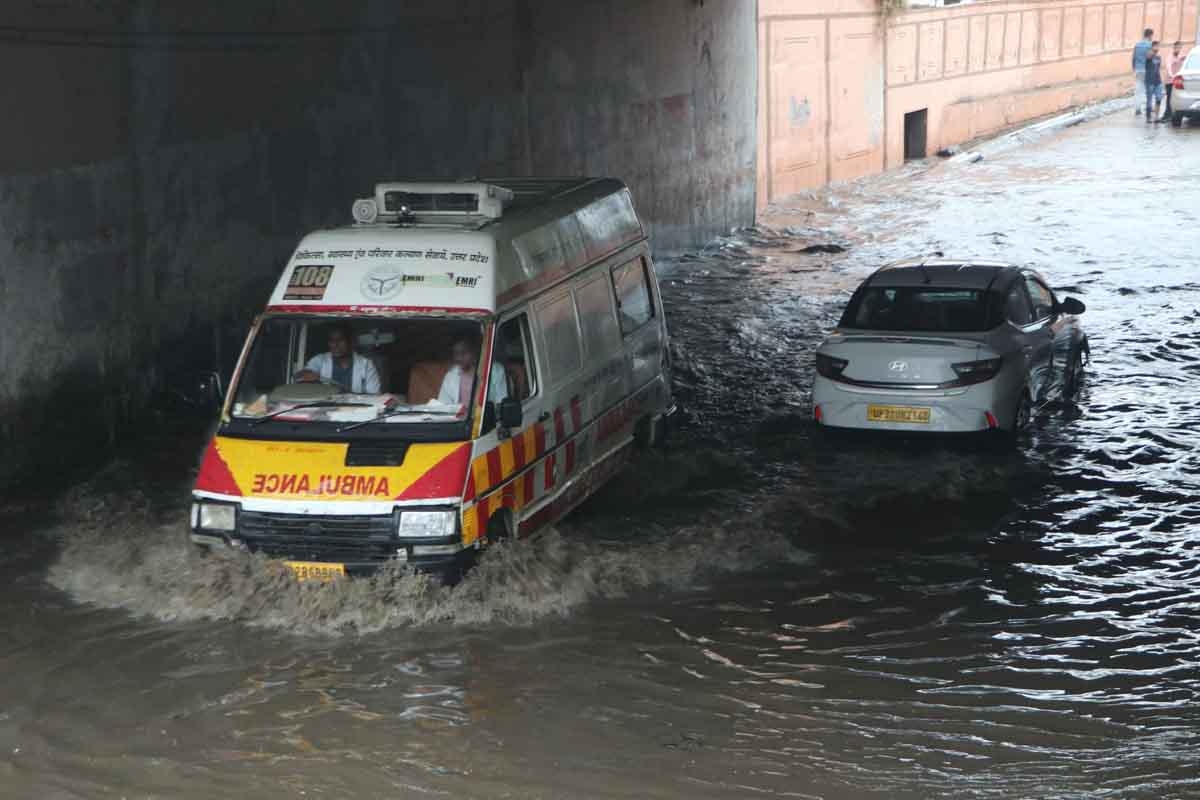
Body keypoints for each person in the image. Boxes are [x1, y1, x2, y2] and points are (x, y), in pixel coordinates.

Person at [295, 322, 381, 393]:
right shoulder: (320, 360)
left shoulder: (366, 365)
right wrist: (305, 374)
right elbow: (299, 376)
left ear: (351, 342)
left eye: (340, 340)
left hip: (356, 408)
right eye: (332, 341)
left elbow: (374, 395)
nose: (335, 345)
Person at [436, 335, 508, 411]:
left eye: (464, 353)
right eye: (456, 353)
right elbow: (443, 406)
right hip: (459, 418)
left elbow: (501, 402)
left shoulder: (496, 371)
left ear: (474, 351)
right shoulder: (451, 375)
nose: (459, 358)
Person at [1133, 28, 1154, 115]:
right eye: (1152, 36)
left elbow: (1134, 58)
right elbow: (1151, 58)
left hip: (1138, 69)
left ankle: (1137, 109)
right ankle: (1149, 107)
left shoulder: (1137, 45)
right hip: (1147, 70)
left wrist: (1134, 68)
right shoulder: (1150, 45)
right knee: (1149, 89)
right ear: (1150, 35)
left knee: (1138, 89)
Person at [1145, 41, 1165, 122]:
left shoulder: (1159, 57)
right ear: (1152, 47)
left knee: (1159, 98)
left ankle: (1156, 117)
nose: (1157, 48)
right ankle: (1148, 117)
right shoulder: (1148, 55)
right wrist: (1152, 51)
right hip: (1149, 81)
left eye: (1158, 46)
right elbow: (1148, 56)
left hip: (1158, 81)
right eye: (1156, 46)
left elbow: (1158, 68)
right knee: (1149, 99)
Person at [1165, 41, 1185, 119]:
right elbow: (1168, 67)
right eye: (1177, 48)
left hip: (1179, 82)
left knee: (1178, 98)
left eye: (1179, 48)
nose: (1178, 50)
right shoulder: (1169, 57)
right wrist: (1172, 75)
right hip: (1170, 81)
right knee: (1169, 98)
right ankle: (1167, 114)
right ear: (1174, 48)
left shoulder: (1182, 56)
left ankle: (1176, 114)